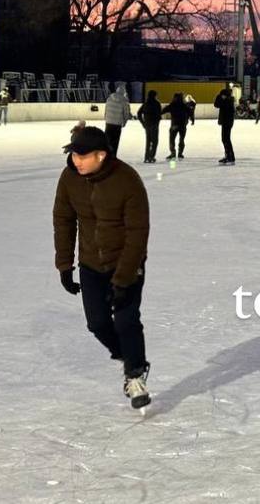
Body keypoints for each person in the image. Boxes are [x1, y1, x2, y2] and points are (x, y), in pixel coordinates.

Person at [52, 125, 152, 409]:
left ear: (101, 155)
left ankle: (135, 376)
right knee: (97, 323)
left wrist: (123, 279)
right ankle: (128, 356)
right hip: (91, 263)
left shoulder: (127, 180)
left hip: (126, 261)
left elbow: (138, 233)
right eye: (73, 155)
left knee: (126, 320)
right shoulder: (70, 178)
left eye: (83, 157)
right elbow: (63, 220)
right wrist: (64, 264)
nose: (76, 161)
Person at [161, 92, 189, 160]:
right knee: (181, 139)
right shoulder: (184, 105)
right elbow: (190, 112)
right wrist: (191, 120)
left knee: (172, 139)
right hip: (182, 125)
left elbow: (163, 111)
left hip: (174, 125)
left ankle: (173, 153)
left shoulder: (172, 105)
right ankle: (180, 153)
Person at [105, 83, 130, 155]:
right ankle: (113, 156)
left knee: (107, 140)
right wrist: (124, 122)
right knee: (115, 141)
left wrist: (106, 119)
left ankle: (107, 155)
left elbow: (106, 110)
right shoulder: (124, 100)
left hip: (108, 122)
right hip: (117, 124)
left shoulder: (109, 98)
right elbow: (126, 113)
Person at [214, 84, 236, 164]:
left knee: (225, 139)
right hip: (227, 122)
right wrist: (220, 97)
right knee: (226, 139)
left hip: (227, 122)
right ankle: (230, 156)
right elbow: (216, 105)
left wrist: (221, 98)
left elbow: (217, 104)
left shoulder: (227, 101)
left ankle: (229, 156)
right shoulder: (228, 100)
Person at [138, 90, 162, 163]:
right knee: (154, 141)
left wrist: (143, 123)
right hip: (154, 125)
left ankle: (146, 157)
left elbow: (139, 113)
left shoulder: (146, 103)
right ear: (154, 96)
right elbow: (159, 114)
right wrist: (158, 120)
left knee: (148, 141)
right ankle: (151, 156)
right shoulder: (157, 103)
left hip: (147, 125)